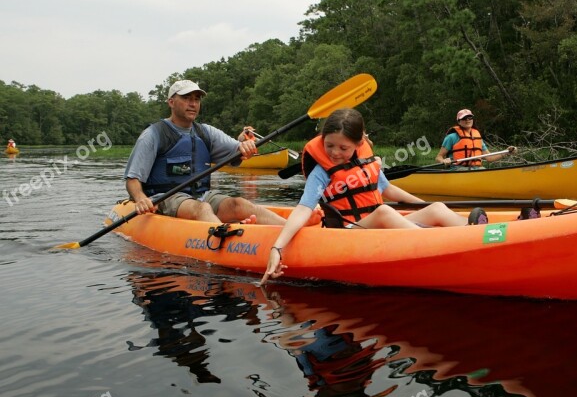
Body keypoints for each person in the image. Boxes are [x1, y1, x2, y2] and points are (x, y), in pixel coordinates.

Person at [260, 108, 486, 284]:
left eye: (343, 148)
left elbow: (388, 190)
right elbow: (304, 208)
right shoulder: (321, 173)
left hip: (376, 223)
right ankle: (446, 247)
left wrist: (422, 205)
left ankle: (475, 232)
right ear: (322, 141)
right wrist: (277, 247)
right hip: (347, 232)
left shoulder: (365, 161)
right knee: (384, 212)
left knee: (436, 208)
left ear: (358, 144)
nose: (335, 153)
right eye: (329, 145)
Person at [124, 80, 285, 225]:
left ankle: (290, 229)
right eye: (186, 98)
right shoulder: (153, 135)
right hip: (166, 198)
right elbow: (133, 178)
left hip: (202, 195)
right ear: (171, 102)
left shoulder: (206, 132)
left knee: (239, 204)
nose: (193, 103)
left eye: (196, 99)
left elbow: (238, 149)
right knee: (202, 209)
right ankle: (227, 239)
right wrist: (140, 199)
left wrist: (245, 146)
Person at [435, 109, 516, 168]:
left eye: (470, 117)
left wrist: (506, 152)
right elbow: (439, 157)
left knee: (484, 171)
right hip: (458, 169)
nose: (467, 120)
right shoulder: (451, 137)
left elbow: (489, 158)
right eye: (464, 118)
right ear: (459, 121)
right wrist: (443, 161)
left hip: (477, 168)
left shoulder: (477, 138)